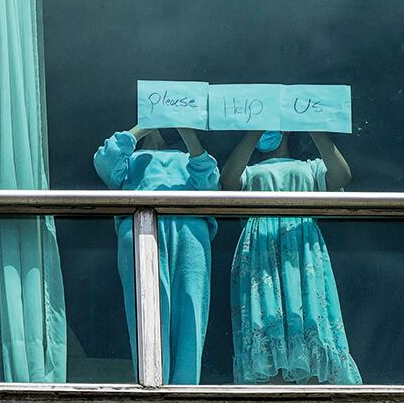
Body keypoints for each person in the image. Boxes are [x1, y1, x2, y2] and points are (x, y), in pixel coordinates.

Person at [222, 130, 362, 384]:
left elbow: (342, 175)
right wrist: (254, 134)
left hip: (300, 247)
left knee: (306, 315)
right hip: (261, 251)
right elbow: (229, 181)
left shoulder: (310, 168)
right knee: (265, 319)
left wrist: (315, 129)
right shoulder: (250, 172)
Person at [94, 125, 218, 384]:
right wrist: (143, 126)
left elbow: (210, 183)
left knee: (190, 310)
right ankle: (151, 386)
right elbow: (104, 162)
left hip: (190, 233)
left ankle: (184, 391)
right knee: (146, 311)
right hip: (142, 229)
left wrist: (186, 131)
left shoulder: (189, 158)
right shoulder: (132, 161)